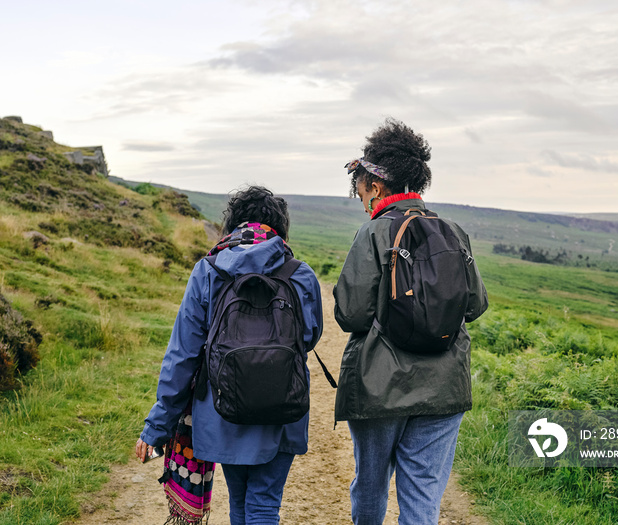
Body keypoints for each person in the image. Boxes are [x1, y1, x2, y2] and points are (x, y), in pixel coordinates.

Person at [135, 185, 323, 524]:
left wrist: (157, 424)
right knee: (264, 504)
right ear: (280, 227)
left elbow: (183, 354)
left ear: (233, 224)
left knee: (239, 502)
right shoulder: (300, 273)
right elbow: (308, 338)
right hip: (283, 408)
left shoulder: (208, 270)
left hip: (223, 410)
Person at [333, 118, 488, 525]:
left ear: (377, 186)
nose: (361, 196)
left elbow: (350, 314)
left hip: (380, 388)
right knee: (423, 494)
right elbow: (475, 305)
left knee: (370, 485)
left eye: (362, 187)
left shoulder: (373, 233)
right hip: (445, 388)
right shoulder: (452, 231)